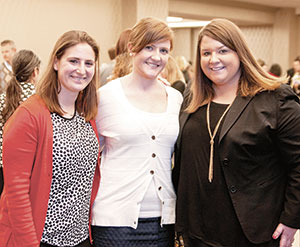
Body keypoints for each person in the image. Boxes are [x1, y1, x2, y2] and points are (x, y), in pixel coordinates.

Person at [173, 18, 300, 247]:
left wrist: (291, 218)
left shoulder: (275, 100)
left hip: (253, 233)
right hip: (197, 232)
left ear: (240, 53)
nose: (214, 60)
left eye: (223, 51)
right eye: (206, 53)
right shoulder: (192, 101)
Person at [0, 30, 101, 247]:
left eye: (88, 63)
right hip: (41, 240)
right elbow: (16, 193)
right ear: (56, 62)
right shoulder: (29, 115)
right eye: (73, 61)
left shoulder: (87, 112)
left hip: (81, 238)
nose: (81, 70)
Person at [91, 17, 183, 247]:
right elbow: (91, 153)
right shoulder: (106, 97)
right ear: (132, 48)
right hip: (114, 219)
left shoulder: (175, 99)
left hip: (163, 220)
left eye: (163, 50)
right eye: (149, 47)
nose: (156, 56)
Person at [0, 49, 40, 196]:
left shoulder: (3, 98)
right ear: (35, 72)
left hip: (3, 169)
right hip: (29, 171)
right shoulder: (41, 102)